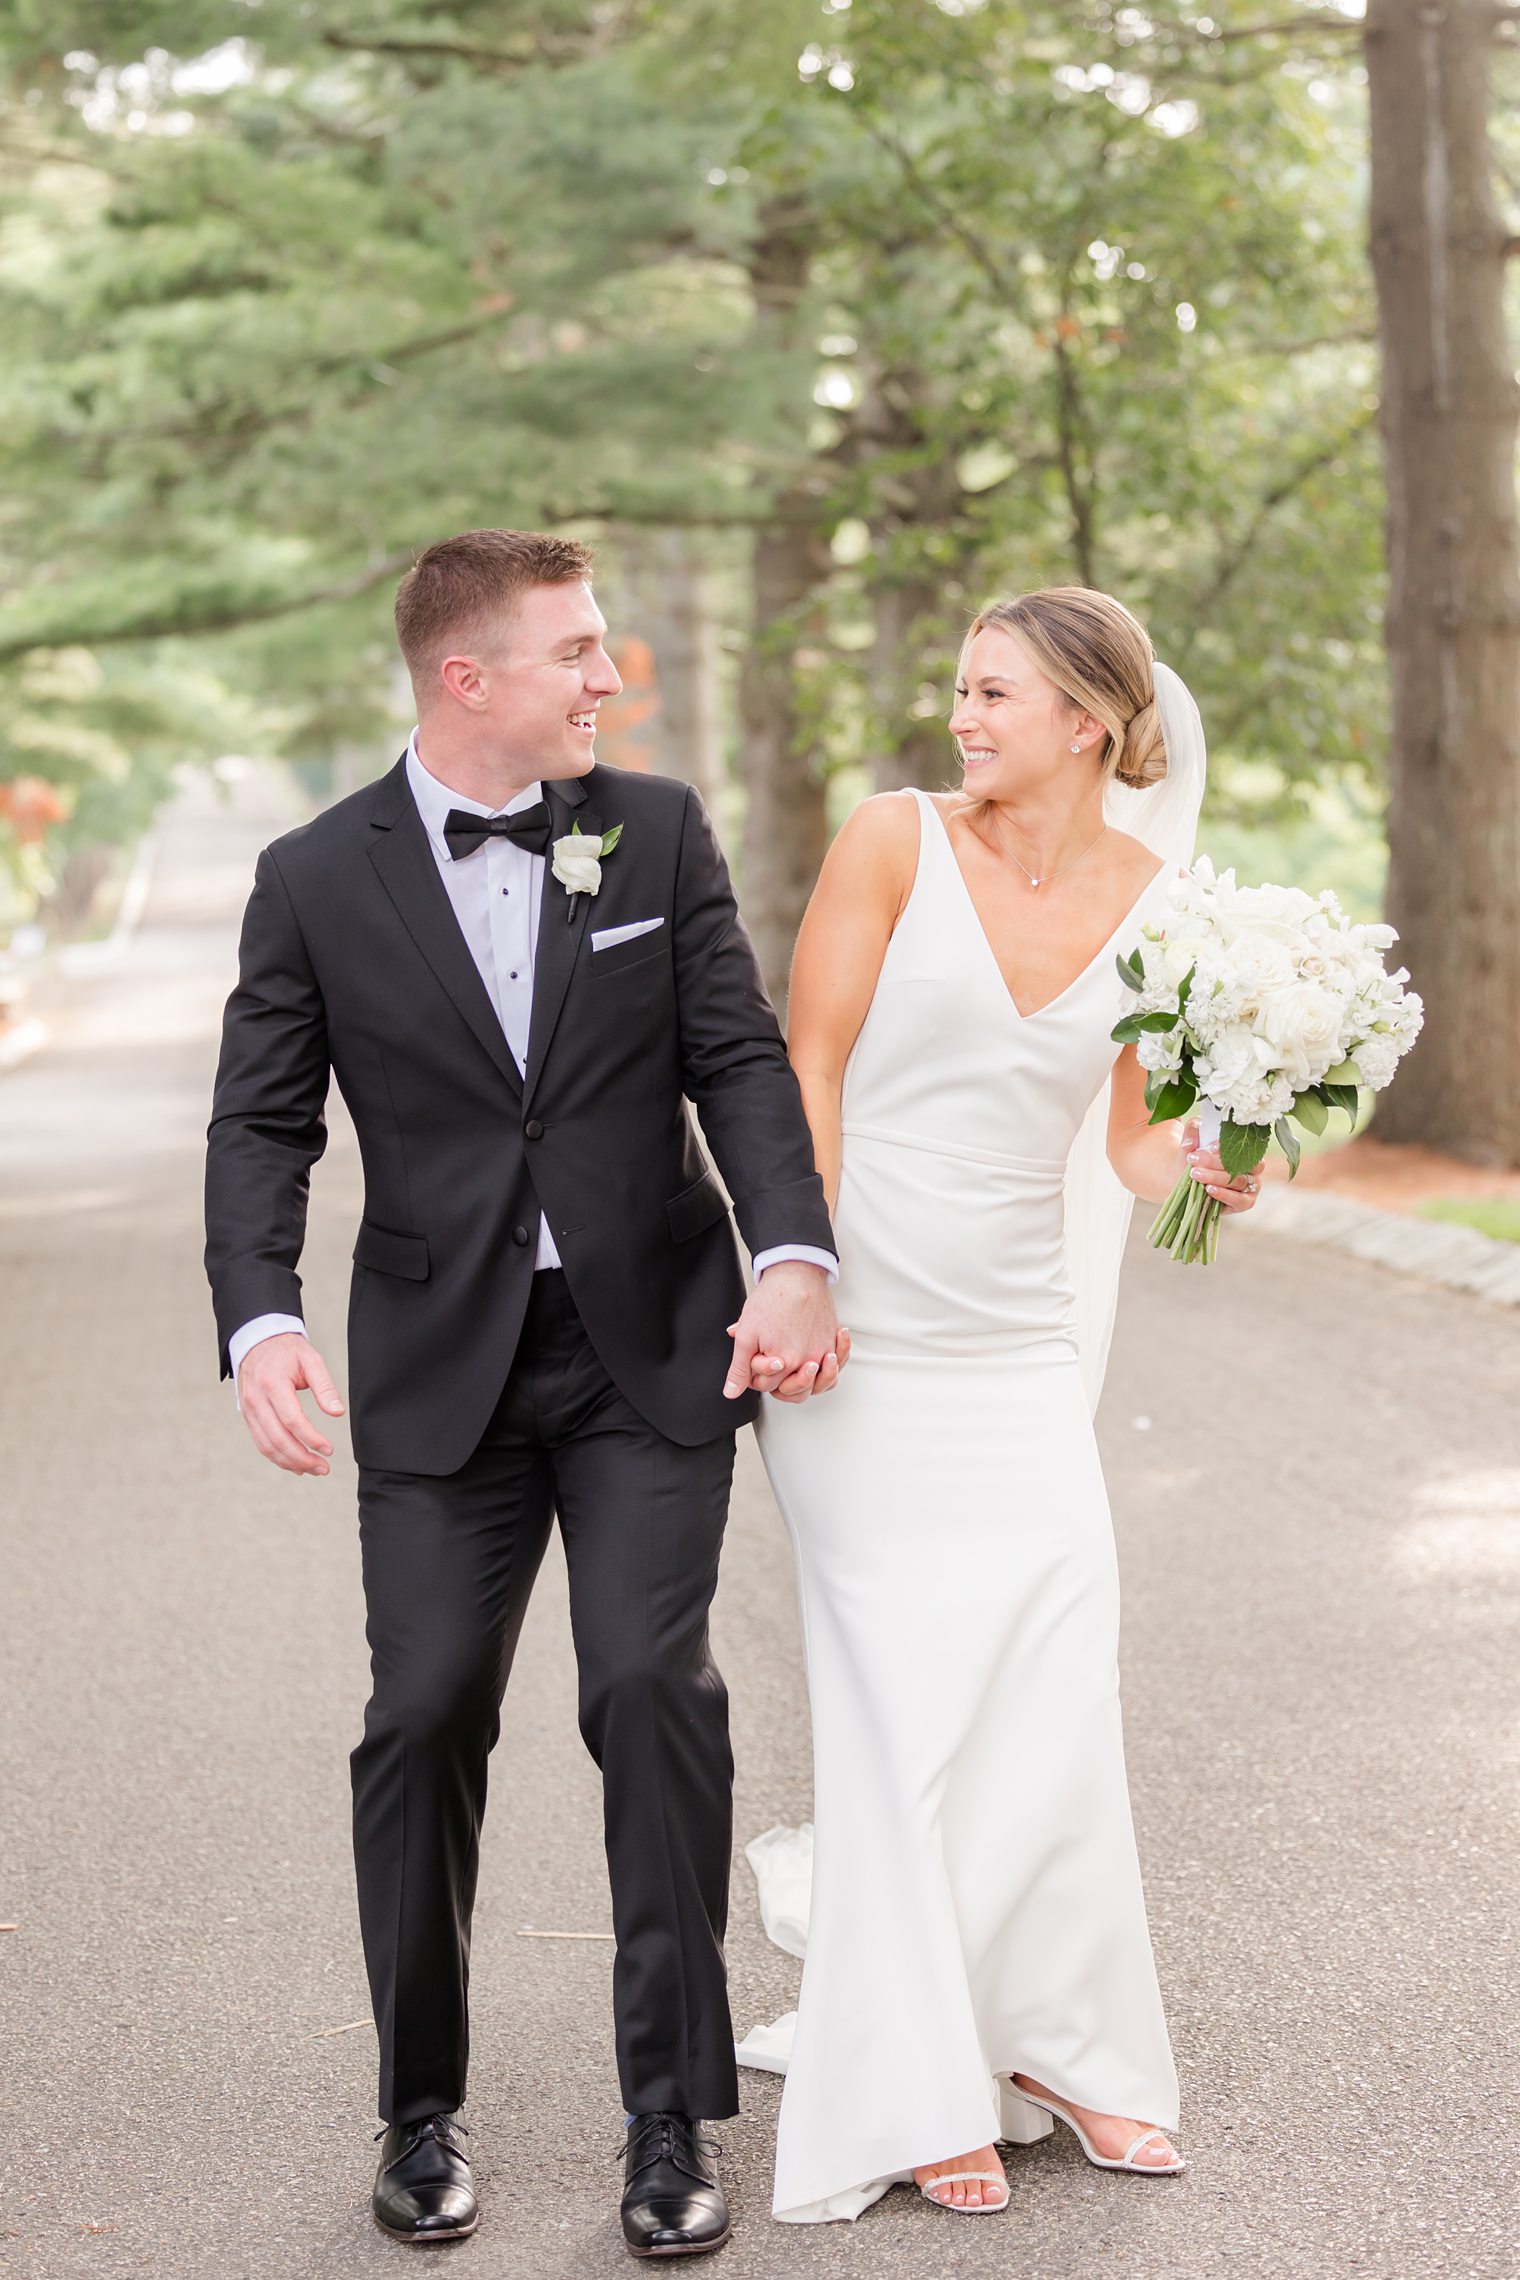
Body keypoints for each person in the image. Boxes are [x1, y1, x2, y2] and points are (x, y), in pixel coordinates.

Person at [204, 528, 845, 2257]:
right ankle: (418, 2111)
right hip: (438, 1376)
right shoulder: (313, 876)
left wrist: (793, 1250)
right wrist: (259, 1319)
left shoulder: (657, 827)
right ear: (464, 677)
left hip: (648, 1345)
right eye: (574, 651)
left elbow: (735, 1056)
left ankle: (671, 2122)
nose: (608, 678)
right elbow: (264, 1122)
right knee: (419, 1718)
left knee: (650, 1691)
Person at [749, 588, 1261, 2223]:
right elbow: (804, 1061)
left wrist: (1197, 1161)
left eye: (994, 692)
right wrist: (802, 1262)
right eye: (962, 686)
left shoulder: (1160, 905)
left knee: (1052, 1685)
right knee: (900, 1703)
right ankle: (909, 2085)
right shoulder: (893, 841)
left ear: (1088, 723)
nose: (962, 716)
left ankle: (1053, 2040)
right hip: (861, 1334)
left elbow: (1120, 1135)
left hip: (1020, 1347)